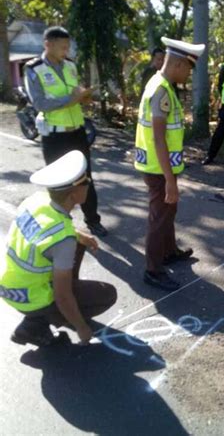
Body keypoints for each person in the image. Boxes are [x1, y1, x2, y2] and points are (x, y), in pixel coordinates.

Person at [0, 151, 117, 347]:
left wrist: (80, 236)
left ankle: (47, 315)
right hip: (31, 296)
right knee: (107, 294)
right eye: (85, 181)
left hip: (11, 284)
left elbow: (47, 227)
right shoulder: (62, 241)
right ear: (74, 194)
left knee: (76, 241)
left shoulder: (37, 199)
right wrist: (81, 327)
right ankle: (34, 326)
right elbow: (62, 295)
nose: (89, 183)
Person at [135, 36, 205, 290]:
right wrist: (168, 181)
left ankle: (169, 251)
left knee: (168, 211)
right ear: (177, 65)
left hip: (162, 166)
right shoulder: (162, 90)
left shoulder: (161, 82)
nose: (189, 74)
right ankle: (153, 269)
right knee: (159, 217)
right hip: (158, 167)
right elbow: (158, 138)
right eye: (189, 68)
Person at [24, 26, 108, 237]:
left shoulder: (70, 65)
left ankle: (93, 221)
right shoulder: (34, 69)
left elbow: (76, 93)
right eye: (62, 47)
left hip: (77, 132)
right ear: (47, 45)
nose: (66, 51)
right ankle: (62, 226)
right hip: (54, 136)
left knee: (85, 179)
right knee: (58, 184)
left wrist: (85, 97)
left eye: (67, 46)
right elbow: (40, 103)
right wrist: (71, 100)